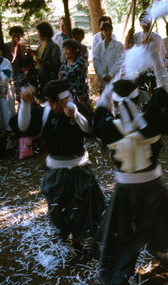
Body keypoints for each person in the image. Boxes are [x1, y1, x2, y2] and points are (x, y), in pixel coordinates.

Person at [93, 38, 168, 285]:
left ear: (116, 102)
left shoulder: (108, 126)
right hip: (152, 185)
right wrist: (156, 58)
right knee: (161, 225)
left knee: (122, 233)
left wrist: (116, 77)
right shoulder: (152, 117)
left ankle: (117, 279)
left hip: (125, 189)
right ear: (139, 96)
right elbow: (165, 85)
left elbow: (101, 106)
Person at [12, 80, 105, 255]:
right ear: (54, 102)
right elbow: (24, 127)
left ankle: (79, 238)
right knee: (58, 208)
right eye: (65, 98)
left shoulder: (75, 107)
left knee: (83, 205)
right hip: (56, 169)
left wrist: (75, 116)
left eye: (69, 96)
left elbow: (90, 130)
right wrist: (24, 104)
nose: (68, 100)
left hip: (80, 166)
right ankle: (66, 232)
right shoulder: (44, 113)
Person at [5, 26, 34, 99]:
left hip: (23, 75)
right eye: (14, 35)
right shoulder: (6, 46)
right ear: (10, 35)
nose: (16, 37)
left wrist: (27, 71)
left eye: (19, 35)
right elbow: (9, 61)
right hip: (11, 75)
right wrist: (14, 47)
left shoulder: (25, 44)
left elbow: (31, 60)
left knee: (24, 96)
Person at [92, 22, 124, 90]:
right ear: (102, 32)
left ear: (112, 30)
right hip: (103, 79)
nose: (108, 32)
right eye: (105, 30)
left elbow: (119, 61)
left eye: (109, 30)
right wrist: (103, 75)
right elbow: (96, 62)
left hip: (115, 77)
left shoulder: (118, 46)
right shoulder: (99, 46)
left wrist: (110, 74)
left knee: (115, 95)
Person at [35, 22, 61, 97]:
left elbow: (56, 64)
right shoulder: (41, 43)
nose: (37, 34)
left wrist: (43, 62)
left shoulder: (53, 46)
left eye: (38, 32)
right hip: (39, 75)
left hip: (48, 77)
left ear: (43, 32)